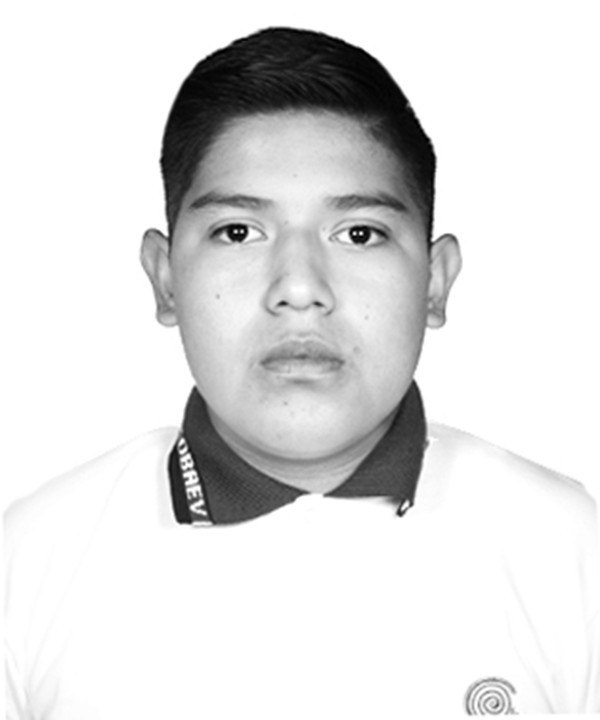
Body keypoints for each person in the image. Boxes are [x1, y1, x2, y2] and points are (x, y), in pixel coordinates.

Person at [4, 26, 599, 718]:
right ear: (165, 279)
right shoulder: (27, 563)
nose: (298, 287)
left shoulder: (571, 551)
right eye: (237, 232)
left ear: (435, 282)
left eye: (359, 233)